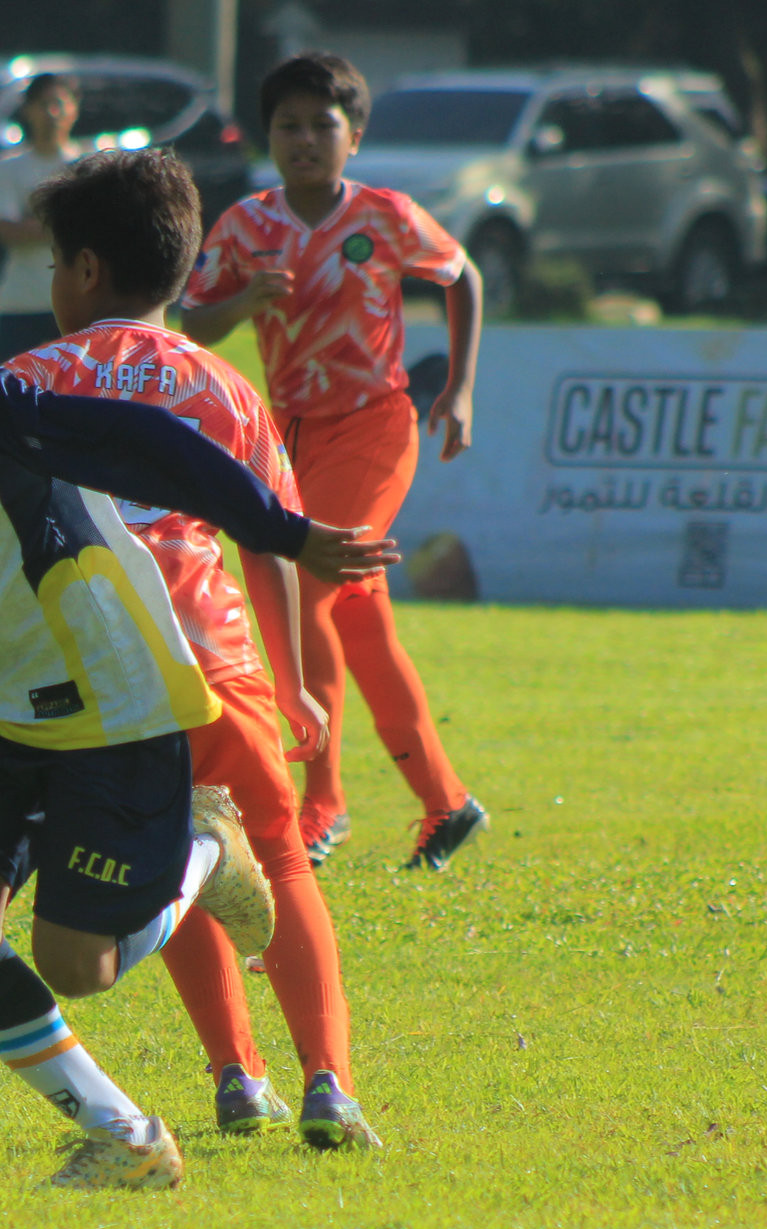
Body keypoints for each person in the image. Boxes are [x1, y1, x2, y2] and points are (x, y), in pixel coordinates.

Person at [0, 163, 395, 1188]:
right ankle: (125, 1134)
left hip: (108, 698)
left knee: (81, 964)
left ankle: (205, 849)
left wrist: (287, 533)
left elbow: (139, 442)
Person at [6, 147, 376, 1150]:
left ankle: (233, 1076)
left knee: (171, 850)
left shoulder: (23, 382)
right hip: (211, 657)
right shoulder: (222, 386)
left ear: (83, 271)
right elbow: (276, 542)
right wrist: (295, 681)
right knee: (279, 860)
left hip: (84, 673)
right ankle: (329, 1084)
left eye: (52, 267)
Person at [182, 50, 488, 873]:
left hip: (375, 427)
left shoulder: (385, 214)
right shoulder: (245, 225)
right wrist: (245, 302)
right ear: (266, 135)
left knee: (304, 586)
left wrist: (455, 389)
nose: (306, 139)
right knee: (359, 621)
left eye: (324, 123)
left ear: (355, 134)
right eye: (289, 124)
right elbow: (191, 320)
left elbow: (461, 278)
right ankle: (446, 803)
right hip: (289, 437)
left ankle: (322, 802)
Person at [0, 74, 82, 363]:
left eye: (59, 103)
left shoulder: (86, 167)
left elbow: (97, 230)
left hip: (75, 304)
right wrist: (66, 224)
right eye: (43, 104)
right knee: (12, 394)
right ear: (28, 110)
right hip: (20, 304)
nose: (52, 113)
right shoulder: (8, 166)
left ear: (74, 108)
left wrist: (35, 220)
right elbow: (6, 229)